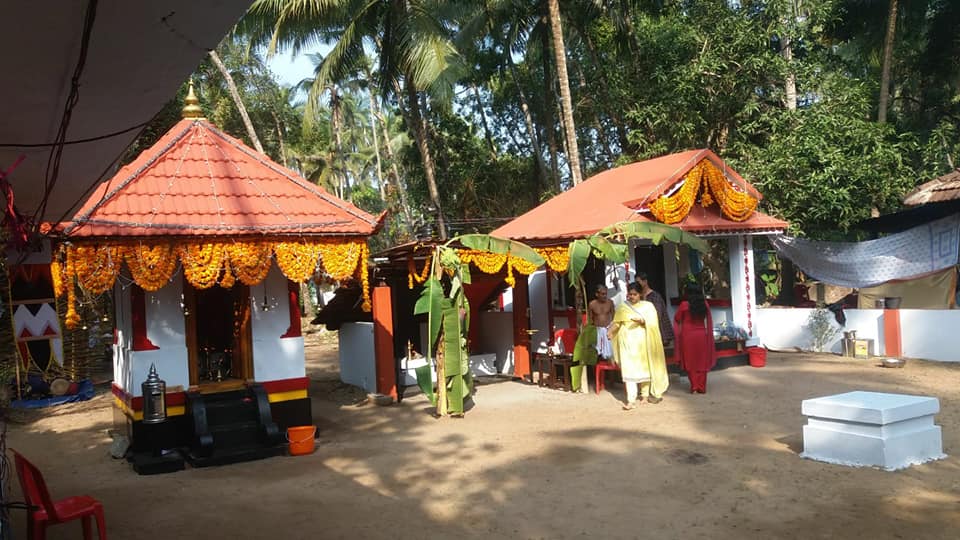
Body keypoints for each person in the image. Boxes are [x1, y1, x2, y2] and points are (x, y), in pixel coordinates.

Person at [608, 282, 669, 409]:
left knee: (644, 369)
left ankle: (645, 396)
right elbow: (617, 323)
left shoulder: (648, 307)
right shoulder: (622, 307)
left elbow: (653, 324)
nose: (631, 297)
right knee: (628, 370)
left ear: (640, 294)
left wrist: (643, 321)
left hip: (642, 343)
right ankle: (631, 400)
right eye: (629, 294)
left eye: (634, 294)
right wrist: (610, 331)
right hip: (626, 344)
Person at [673, 289, 717, 393]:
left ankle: (694, 387)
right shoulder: (705, 304)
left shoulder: (684, 305)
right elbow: (709, 320)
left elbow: (677, 318)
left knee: (690, 361)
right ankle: (701, 387)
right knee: (702, 361)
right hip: (701, 335)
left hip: (687, 336)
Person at [636, 272, 674, 348]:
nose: (637, 284)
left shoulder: (655, 296)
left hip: (656, 330)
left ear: (645, 281)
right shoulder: (638, 296)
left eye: (638, 282)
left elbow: (657, 315)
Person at [588, 284, 615, 359]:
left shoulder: (610, 303)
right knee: (597, 355)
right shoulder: (592, 304)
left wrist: (612, 330)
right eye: (602, 294)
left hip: (608, 331)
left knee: (610, 355)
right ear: (597, 294)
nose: (604, 296)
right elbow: (590, 320)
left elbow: (614, 318)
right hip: (597, 331)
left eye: (606, 294)